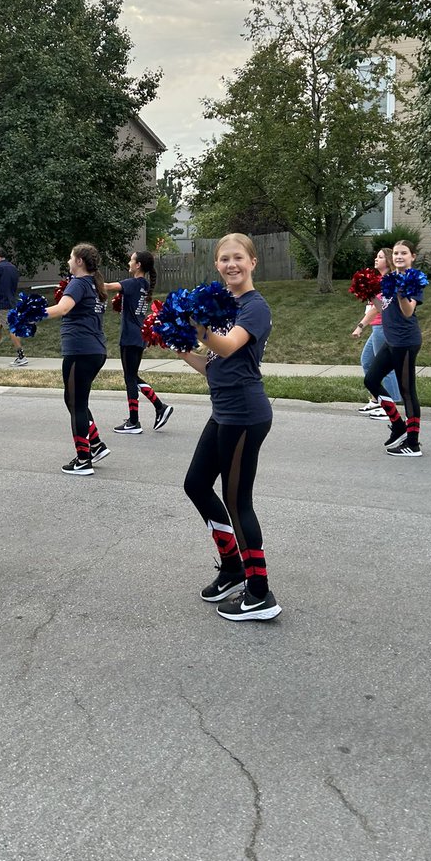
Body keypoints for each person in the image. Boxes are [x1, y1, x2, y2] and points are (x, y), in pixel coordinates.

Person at [179, 234, 281, 622]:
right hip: (223, 409)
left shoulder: (254, 307)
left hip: (245, 414)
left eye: (238, 257)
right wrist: (180, 346)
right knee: (195, 485)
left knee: (239, 502)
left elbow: (228, 347)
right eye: (224, 259)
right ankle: (233, 566)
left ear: (253, 262)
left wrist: (198, 327)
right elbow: (214, 366)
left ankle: (259, 593)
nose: (231, 264)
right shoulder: (226, 306)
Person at [40, 243, 109, 475]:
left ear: (79, 261)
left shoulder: (78, 283)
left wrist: (32, 314)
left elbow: (62, 308)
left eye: (70, 257)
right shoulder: (92, 283)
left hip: (81, 351)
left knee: (76, 403)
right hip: (94, 350)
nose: (68, 261)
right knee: (75, 401)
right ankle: (96, 445)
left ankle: (83, 459)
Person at [364, 238, 425, 457]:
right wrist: (369, 294)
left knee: (408, 391)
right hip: (391, 342)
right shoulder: (390, 278)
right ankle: (398, 424)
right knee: (370, 380)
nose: (399, 256)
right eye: (397, 253)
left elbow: (408, 311)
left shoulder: (414, 279)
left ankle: (413, 443)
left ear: (412, 257)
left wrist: (400, 291)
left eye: (404, 253)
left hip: (406, 343)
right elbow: (384, 308)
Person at [103, 250, 173, 435]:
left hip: (130, 337)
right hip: (138, 335)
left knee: (130, 378)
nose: (129, 262)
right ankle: (155, 410)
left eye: (131, 260)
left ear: (138, 265)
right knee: (131, 376)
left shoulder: (133, 283)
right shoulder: (142, 284)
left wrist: (87, 282)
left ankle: (140, 418)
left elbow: (109, 286)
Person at [351, 247, 402, 416]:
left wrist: (360, 326)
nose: (376, 259)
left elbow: (377, 309)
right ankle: (376, 399)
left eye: (380, 257)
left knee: (385, 367)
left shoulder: (389, 280)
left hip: (384, 327)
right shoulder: (380, 280)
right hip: (377, 327)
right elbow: (377, 306)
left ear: (387, 261)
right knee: (367, 361)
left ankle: (390, 406)